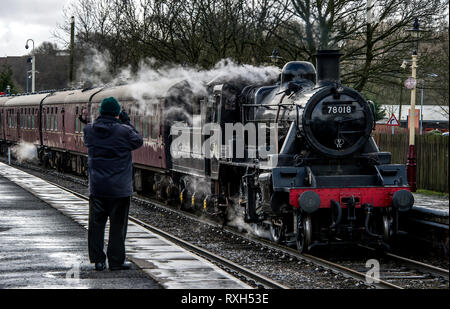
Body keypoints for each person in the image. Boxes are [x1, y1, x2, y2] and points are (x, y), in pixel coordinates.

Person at [83, 96, 143, 271]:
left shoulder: (89, 130)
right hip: (119, 188)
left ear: (101, 111)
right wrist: (127, 121)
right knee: (118, 226)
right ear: (117, 113)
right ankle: (116, 261)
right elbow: (138, 141)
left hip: (97, 186)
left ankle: (98, 260)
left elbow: (88, 139)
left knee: (96, 225)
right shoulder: (124, 131)